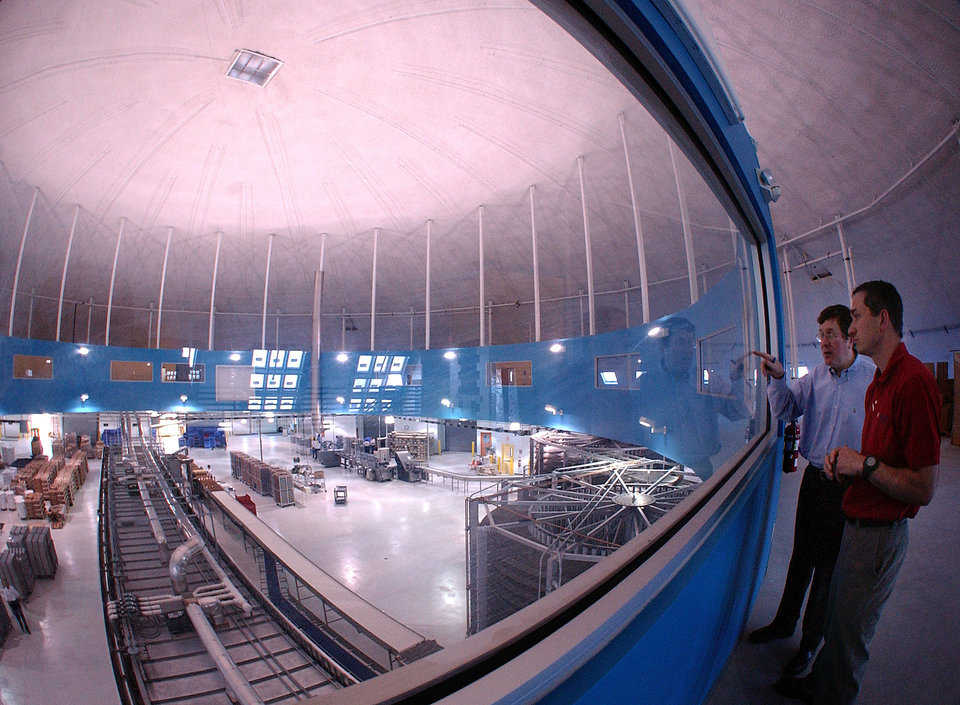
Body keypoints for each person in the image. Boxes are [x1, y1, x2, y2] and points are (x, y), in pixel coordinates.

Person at [778, 281, 941, 704]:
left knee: (851, 636)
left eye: (856, 316)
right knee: (838, 618)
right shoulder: (879, 385)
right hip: (854, 513)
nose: (850, 329)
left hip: (878, 531)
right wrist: (845, 462)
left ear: (882, 319)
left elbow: (924, 486)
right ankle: (819, 680)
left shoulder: (913, 382)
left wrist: (862, 465)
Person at [748, 305, 874, 681]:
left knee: (826, 571)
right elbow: (787, 409)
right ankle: (785, 623)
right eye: (820, 334)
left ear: (850, 336)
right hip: (814, 480)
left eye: (831, 334)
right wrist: (777, 379)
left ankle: (808, 646)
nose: (823, 342)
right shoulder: (815, 378)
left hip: (847, 488)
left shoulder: (871, 378)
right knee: (801, 558)